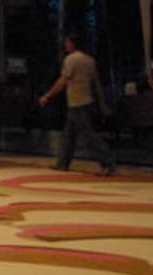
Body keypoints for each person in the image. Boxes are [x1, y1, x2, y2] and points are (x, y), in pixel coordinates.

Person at [38, 31, 116, 176]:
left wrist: (47, 95)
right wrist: (101, 102)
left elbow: (63, 81)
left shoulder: (71, 60)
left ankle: (107, 161)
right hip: (86, 101)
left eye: (67, 42)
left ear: (72, 44)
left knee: (88, 136)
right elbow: (96, 84)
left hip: (77, 102)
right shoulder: (90, 60)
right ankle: (62, 162)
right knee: (69, 135)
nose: (65, 45)